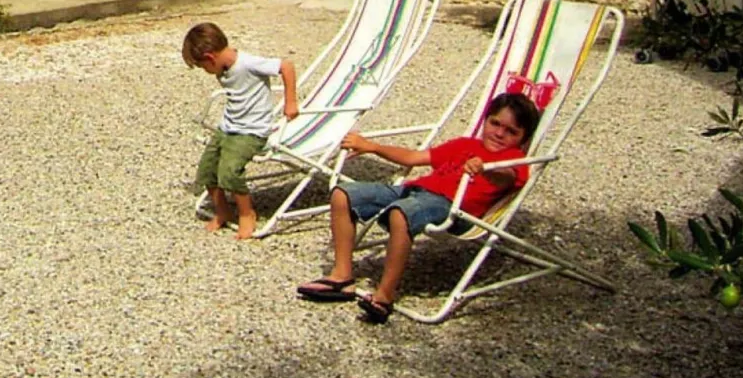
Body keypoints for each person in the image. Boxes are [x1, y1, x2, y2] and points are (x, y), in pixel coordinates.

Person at [294, 91, 541, 323]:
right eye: (495, 123)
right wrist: (373, 147)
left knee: (401, 213)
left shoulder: (515, 161)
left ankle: (384, 296)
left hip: (450, 207)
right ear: (485, 120)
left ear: (522, 139)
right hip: (414, 190)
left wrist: (486, 168)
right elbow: (414, 157)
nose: (499, 133)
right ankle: (342, 276)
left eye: (511, 131)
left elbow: (507, 177)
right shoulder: (465, 145)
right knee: (342, 194)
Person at [183, 21, 299, 240]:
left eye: (203, 67)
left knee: (229, 171)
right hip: (229, 126)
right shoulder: (224, 66)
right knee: (208, 169)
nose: (207, 72)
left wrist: (290, 101)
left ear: (210, 58)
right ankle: (223, 210)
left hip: (252, 130)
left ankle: (247, 213)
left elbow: (287, 66)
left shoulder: (249, 63)